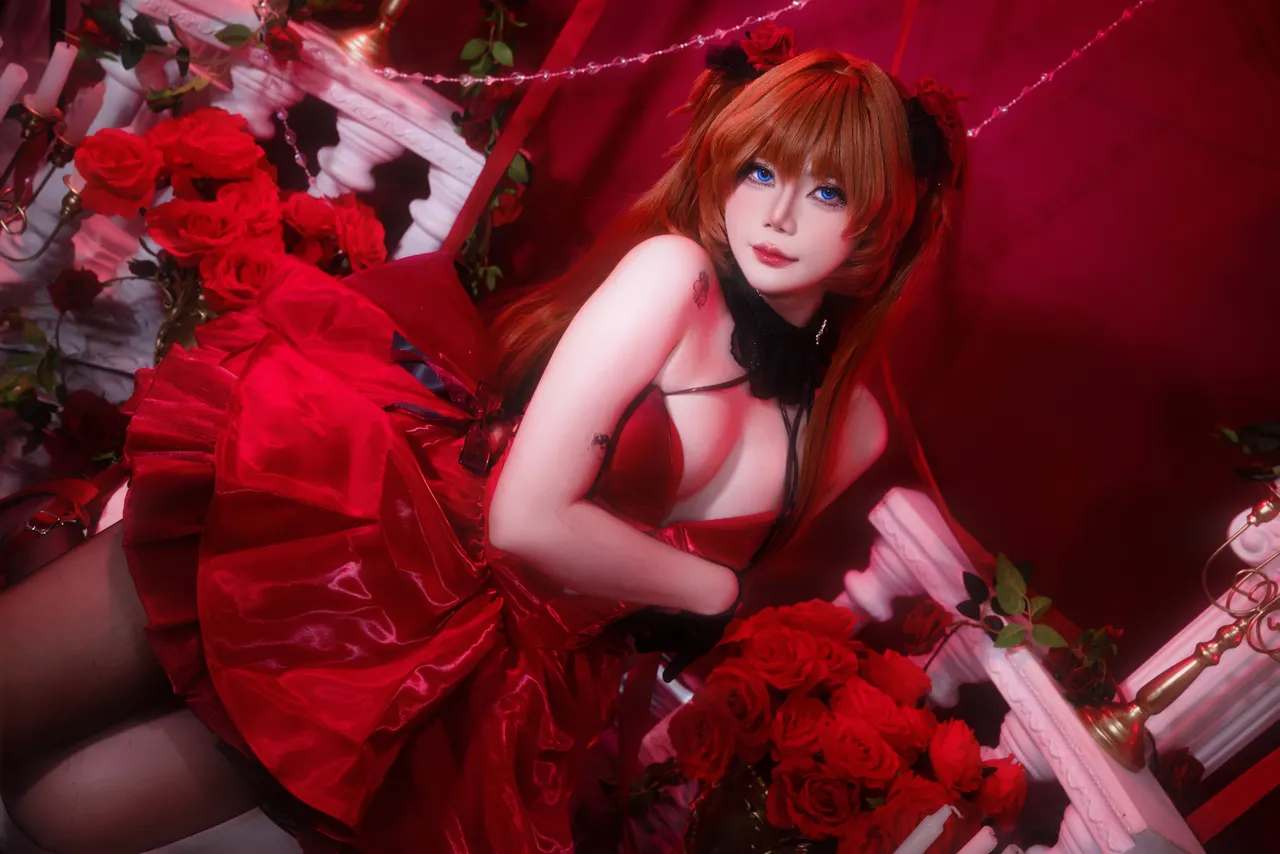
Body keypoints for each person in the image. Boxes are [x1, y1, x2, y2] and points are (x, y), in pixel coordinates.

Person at [0, 40, 965, 854]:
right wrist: (713, 589)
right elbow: (527, 519)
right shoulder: (675, 273)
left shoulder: (855, 426)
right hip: (387, 545)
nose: (781, 216)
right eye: (762, 171)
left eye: (826, 191)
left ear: (880, 219)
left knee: (63, 816)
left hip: (493, 674)